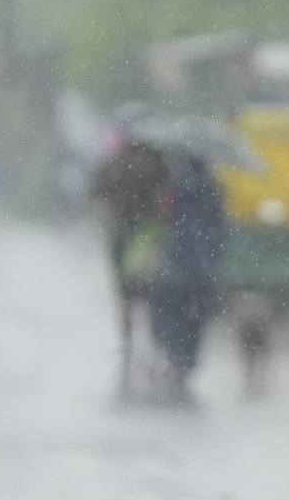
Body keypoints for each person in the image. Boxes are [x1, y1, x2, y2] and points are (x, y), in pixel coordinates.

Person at [91, 140, 168, 382]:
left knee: (126, 296)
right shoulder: (158, 163)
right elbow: (167, 199)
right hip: (148, 236)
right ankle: (154, 347)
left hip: (121, 237)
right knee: (152, 295)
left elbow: (95, 192)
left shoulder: (115, 164)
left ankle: (128, 345)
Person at [150, 153, 227, 391]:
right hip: (202, 265)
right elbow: (220, 228)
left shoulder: (175, 186)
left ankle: (172, 354)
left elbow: (162, 217)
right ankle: (187, 360)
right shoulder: (213, 189)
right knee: (195, 315)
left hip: (176, 259)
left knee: (171, 310)